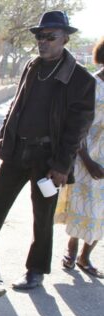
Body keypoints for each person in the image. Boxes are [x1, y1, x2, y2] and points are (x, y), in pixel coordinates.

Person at [0, 10, 96, 290]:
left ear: (65, 39)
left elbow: (77, 128)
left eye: (50, 37)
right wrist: (4, 138)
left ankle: (36, 270)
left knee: (42, 217)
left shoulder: (82, 80)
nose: (43, 42)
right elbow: (17, 105)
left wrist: (61, 165)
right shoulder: (33, 66)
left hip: (48, 159)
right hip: (17, 151)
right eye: (40, 37)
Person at [55, 37, 104, 278]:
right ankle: (72, 250)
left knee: (102, 213)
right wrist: (86, 159)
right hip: (86, 157)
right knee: (82, 206)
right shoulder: (91, 85)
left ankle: (86, 256)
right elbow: (77, 125)